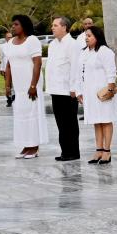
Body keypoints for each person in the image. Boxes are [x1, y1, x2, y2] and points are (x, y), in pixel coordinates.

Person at [5, 14, 48, 159]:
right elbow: (9, 65)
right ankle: (25, 145)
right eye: (13, 24)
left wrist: (33, 84)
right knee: (21, 116)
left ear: (24, 25)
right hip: (18, 87)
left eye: (16, 24)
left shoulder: (32, 40)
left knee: (32, 115)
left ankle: (34, 146)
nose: (13, 27)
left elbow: (37, 63)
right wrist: (7, 86)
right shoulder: (10, 42)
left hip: (31, 85)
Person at [76, 25, 117, 164]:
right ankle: (99, 149)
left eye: (89, 36)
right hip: (89, 92)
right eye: (86, 36)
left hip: (103, 92)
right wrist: (79, 91)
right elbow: (80, 73)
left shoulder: (104, 51)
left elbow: (111, 72)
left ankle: (107, 151)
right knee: (96, 121)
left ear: (97, 37)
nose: (86, 38)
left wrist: (110, 90)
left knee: (106, 120)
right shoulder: (84, 52)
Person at [45, 16, 83, 161]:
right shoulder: (53, 44)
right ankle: (65, 151)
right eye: (52, 25)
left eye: (55, 25)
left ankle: (73, 152)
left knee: (70, 123)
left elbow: (75, 67)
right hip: (55, 89)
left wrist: (74, 88)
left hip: (68, 91)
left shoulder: (72, 44)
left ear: (64, 27)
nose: (52, 28)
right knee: (60, 122)